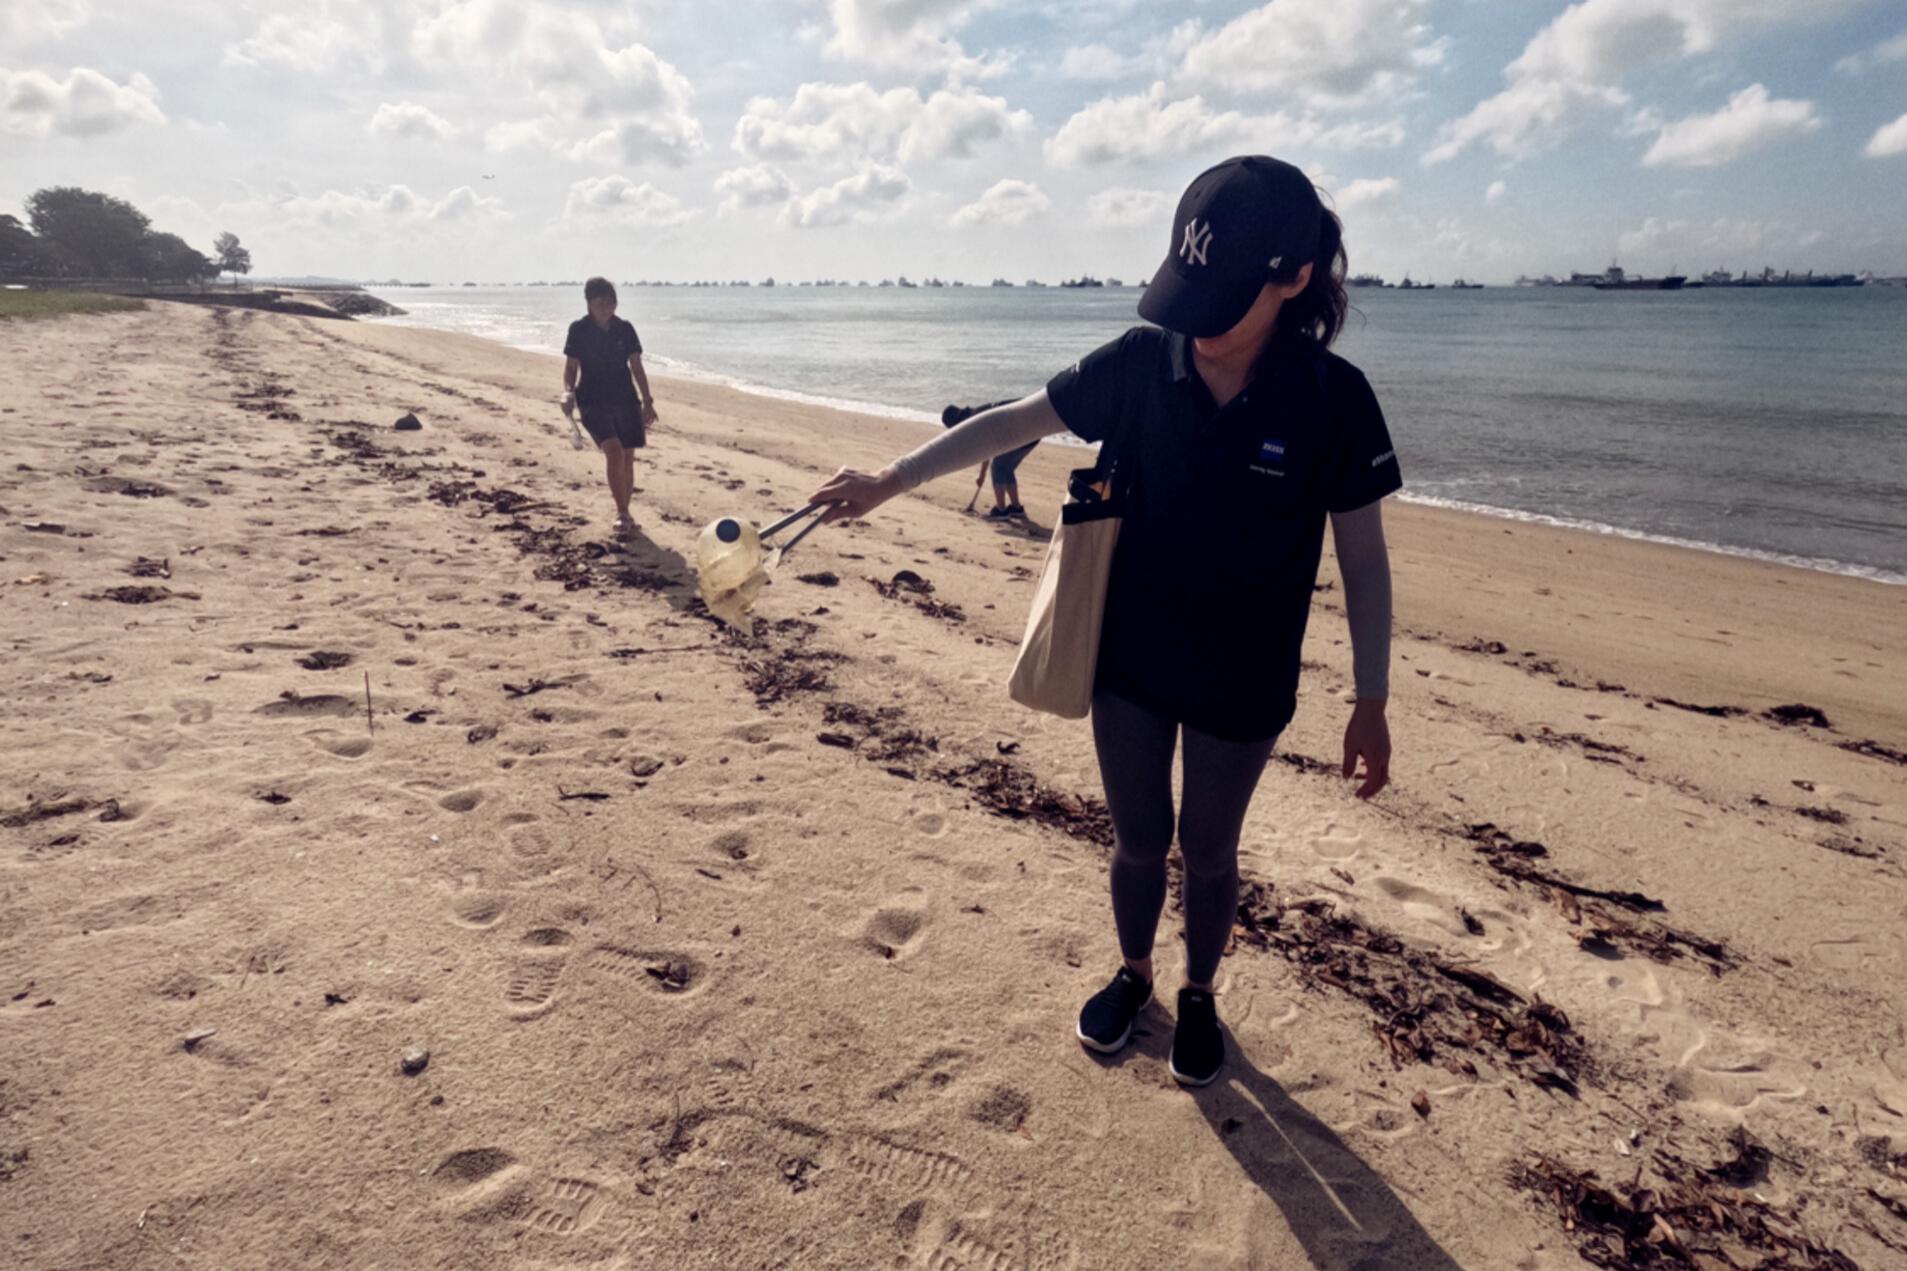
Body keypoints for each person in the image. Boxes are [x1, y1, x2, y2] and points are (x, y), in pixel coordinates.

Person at [811, 157, 1401, 1088]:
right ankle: (1133, 975)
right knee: (1134, 837)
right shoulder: (1141, 360)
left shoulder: (1333, 399)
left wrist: (1370, 698)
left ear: (1291, 280)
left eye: (1220, 298)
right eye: (1188, 287)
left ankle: (1200, 991)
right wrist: (891, 479)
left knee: (1208, 851)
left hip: (1243, 678)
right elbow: (1012, 422)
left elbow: (1363, 562)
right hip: (1126, 657)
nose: (1193, 320)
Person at [562, 277, 658, 538]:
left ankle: (626, 511)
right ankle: (622, 513)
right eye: (601, 302)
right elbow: (571, 368)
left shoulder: (625, 329)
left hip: (626, 399)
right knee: (614, 452)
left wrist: (647, 401)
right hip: (592, 400)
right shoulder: (578, 330)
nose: (607, 306)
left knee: (627, 458)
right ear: (589, 304)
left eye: (611, 302)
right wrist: (568, 392)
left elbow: (636, 366)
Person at [943, 401, 1037, 519]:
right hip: (1034, 430)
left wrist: (982, 475)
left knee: (998, 466)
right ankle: (1016, 508)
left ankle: (1001, 510)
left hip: (1021, 431)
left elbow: (987, 449)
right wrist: (982, 475)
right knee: (1006, 468)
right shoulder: (976, 412)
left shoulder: (973, 423)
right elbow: (989, 447)